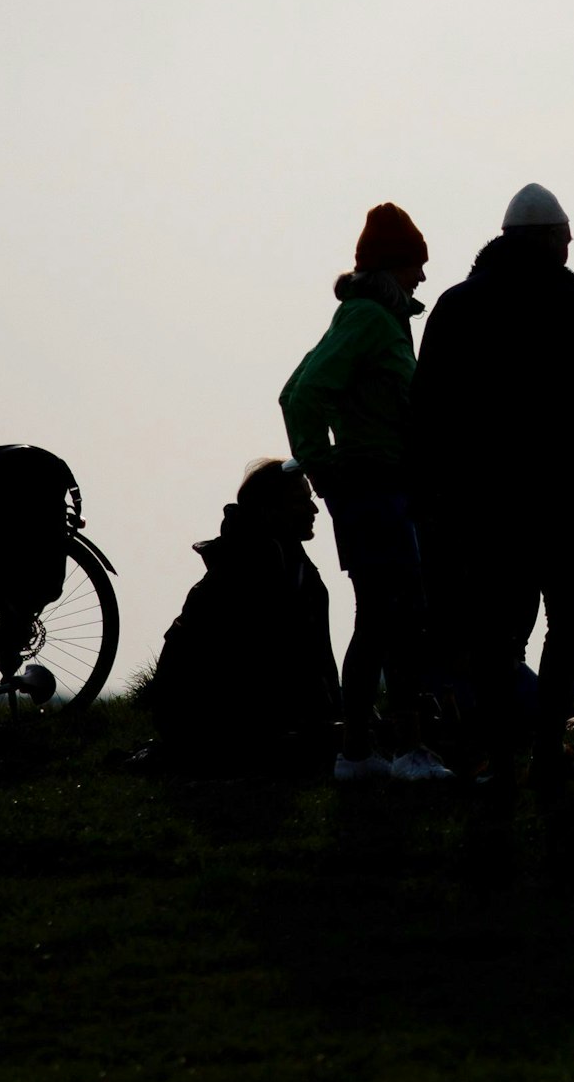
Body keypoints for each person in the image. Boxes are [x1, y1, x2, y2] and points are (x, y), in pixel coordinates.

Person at [412, 183, 574, 785]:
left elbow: (426, 411)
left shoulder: (455, 306)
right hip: (554, 497)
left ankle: (500, 757)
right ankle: (548, 747)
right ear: (549, 239)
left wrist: (431, 498)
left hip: (480, 504)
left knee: (498, 632)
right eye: (566, 235)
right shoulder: (568, 302)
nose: (572, 244)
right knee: (569, 618)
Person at [279, 203, 451, 782]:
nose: (423, 277)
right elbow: (300, 396)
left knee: (381, 618)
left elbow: (294, 388)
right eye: (416, 266)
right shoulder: (369, 320)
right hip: (372, 489)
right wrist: (325, 471)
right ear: (394, 267)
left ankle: (358, 752)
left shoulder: (372, 318)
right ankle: (404, 751)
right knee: (397, 617)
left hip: (381, 489)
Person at [145, 459, 339, 774]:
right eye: (301, 501)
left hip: (213, 713)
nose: (313, 510)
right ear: (270, 510)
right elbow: (272, 661)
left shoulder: (288, 562)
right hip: (207, 718)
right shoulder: (253, 567)